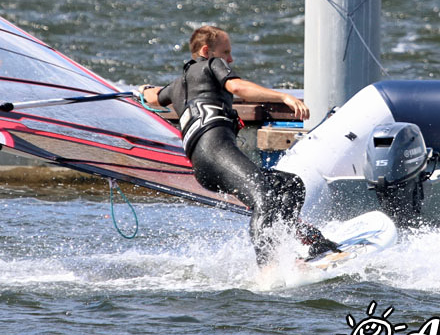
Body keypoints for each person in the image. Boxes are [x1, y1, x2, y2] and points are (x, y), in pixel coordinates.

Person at [140, 25, 340, 267]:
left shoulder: (175, 86)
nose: (231, 59)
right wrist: (284, 97)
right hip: (216, 151)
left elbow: (153, 97)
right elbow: (236, 87)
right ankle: (268, 272)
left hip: (204, 165)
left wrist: (142, 90)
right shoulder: (211, 65)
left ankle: (308, 241)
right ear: (207, 51)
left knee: (289, 185)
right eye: (226, 52)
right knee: (265, 198)